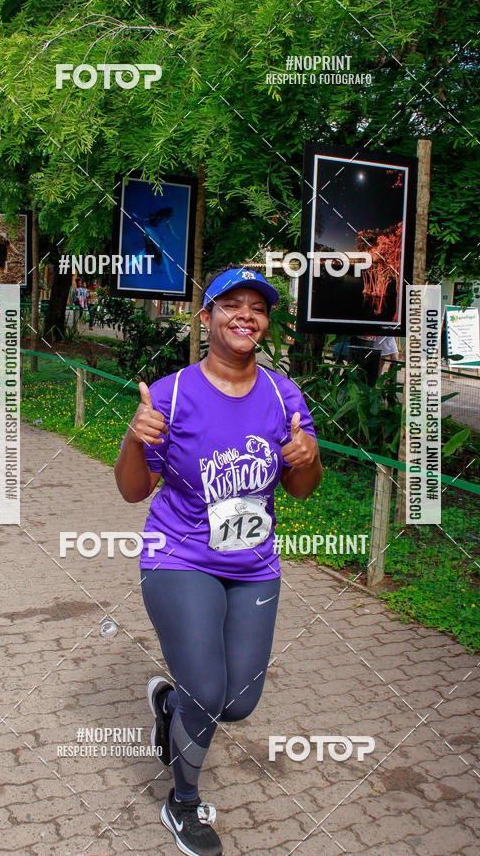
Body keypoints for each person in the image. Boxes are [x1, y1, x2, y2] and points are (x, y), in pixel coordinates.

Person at [115, 265, 323, 856]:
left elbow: (303, 487)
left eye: (257, 307)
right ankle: (182, 801)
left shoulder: (285, 396)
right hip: (179, 555)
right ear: (204, 318)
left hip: (254, 564)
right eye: (230, 304)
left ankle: (169, 705)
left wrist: (307, 457)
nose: (245, 315)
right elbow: (133, 491)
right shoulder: (172, 394)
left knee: (237, 702)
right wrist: (135, 438)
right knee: (207, 688)